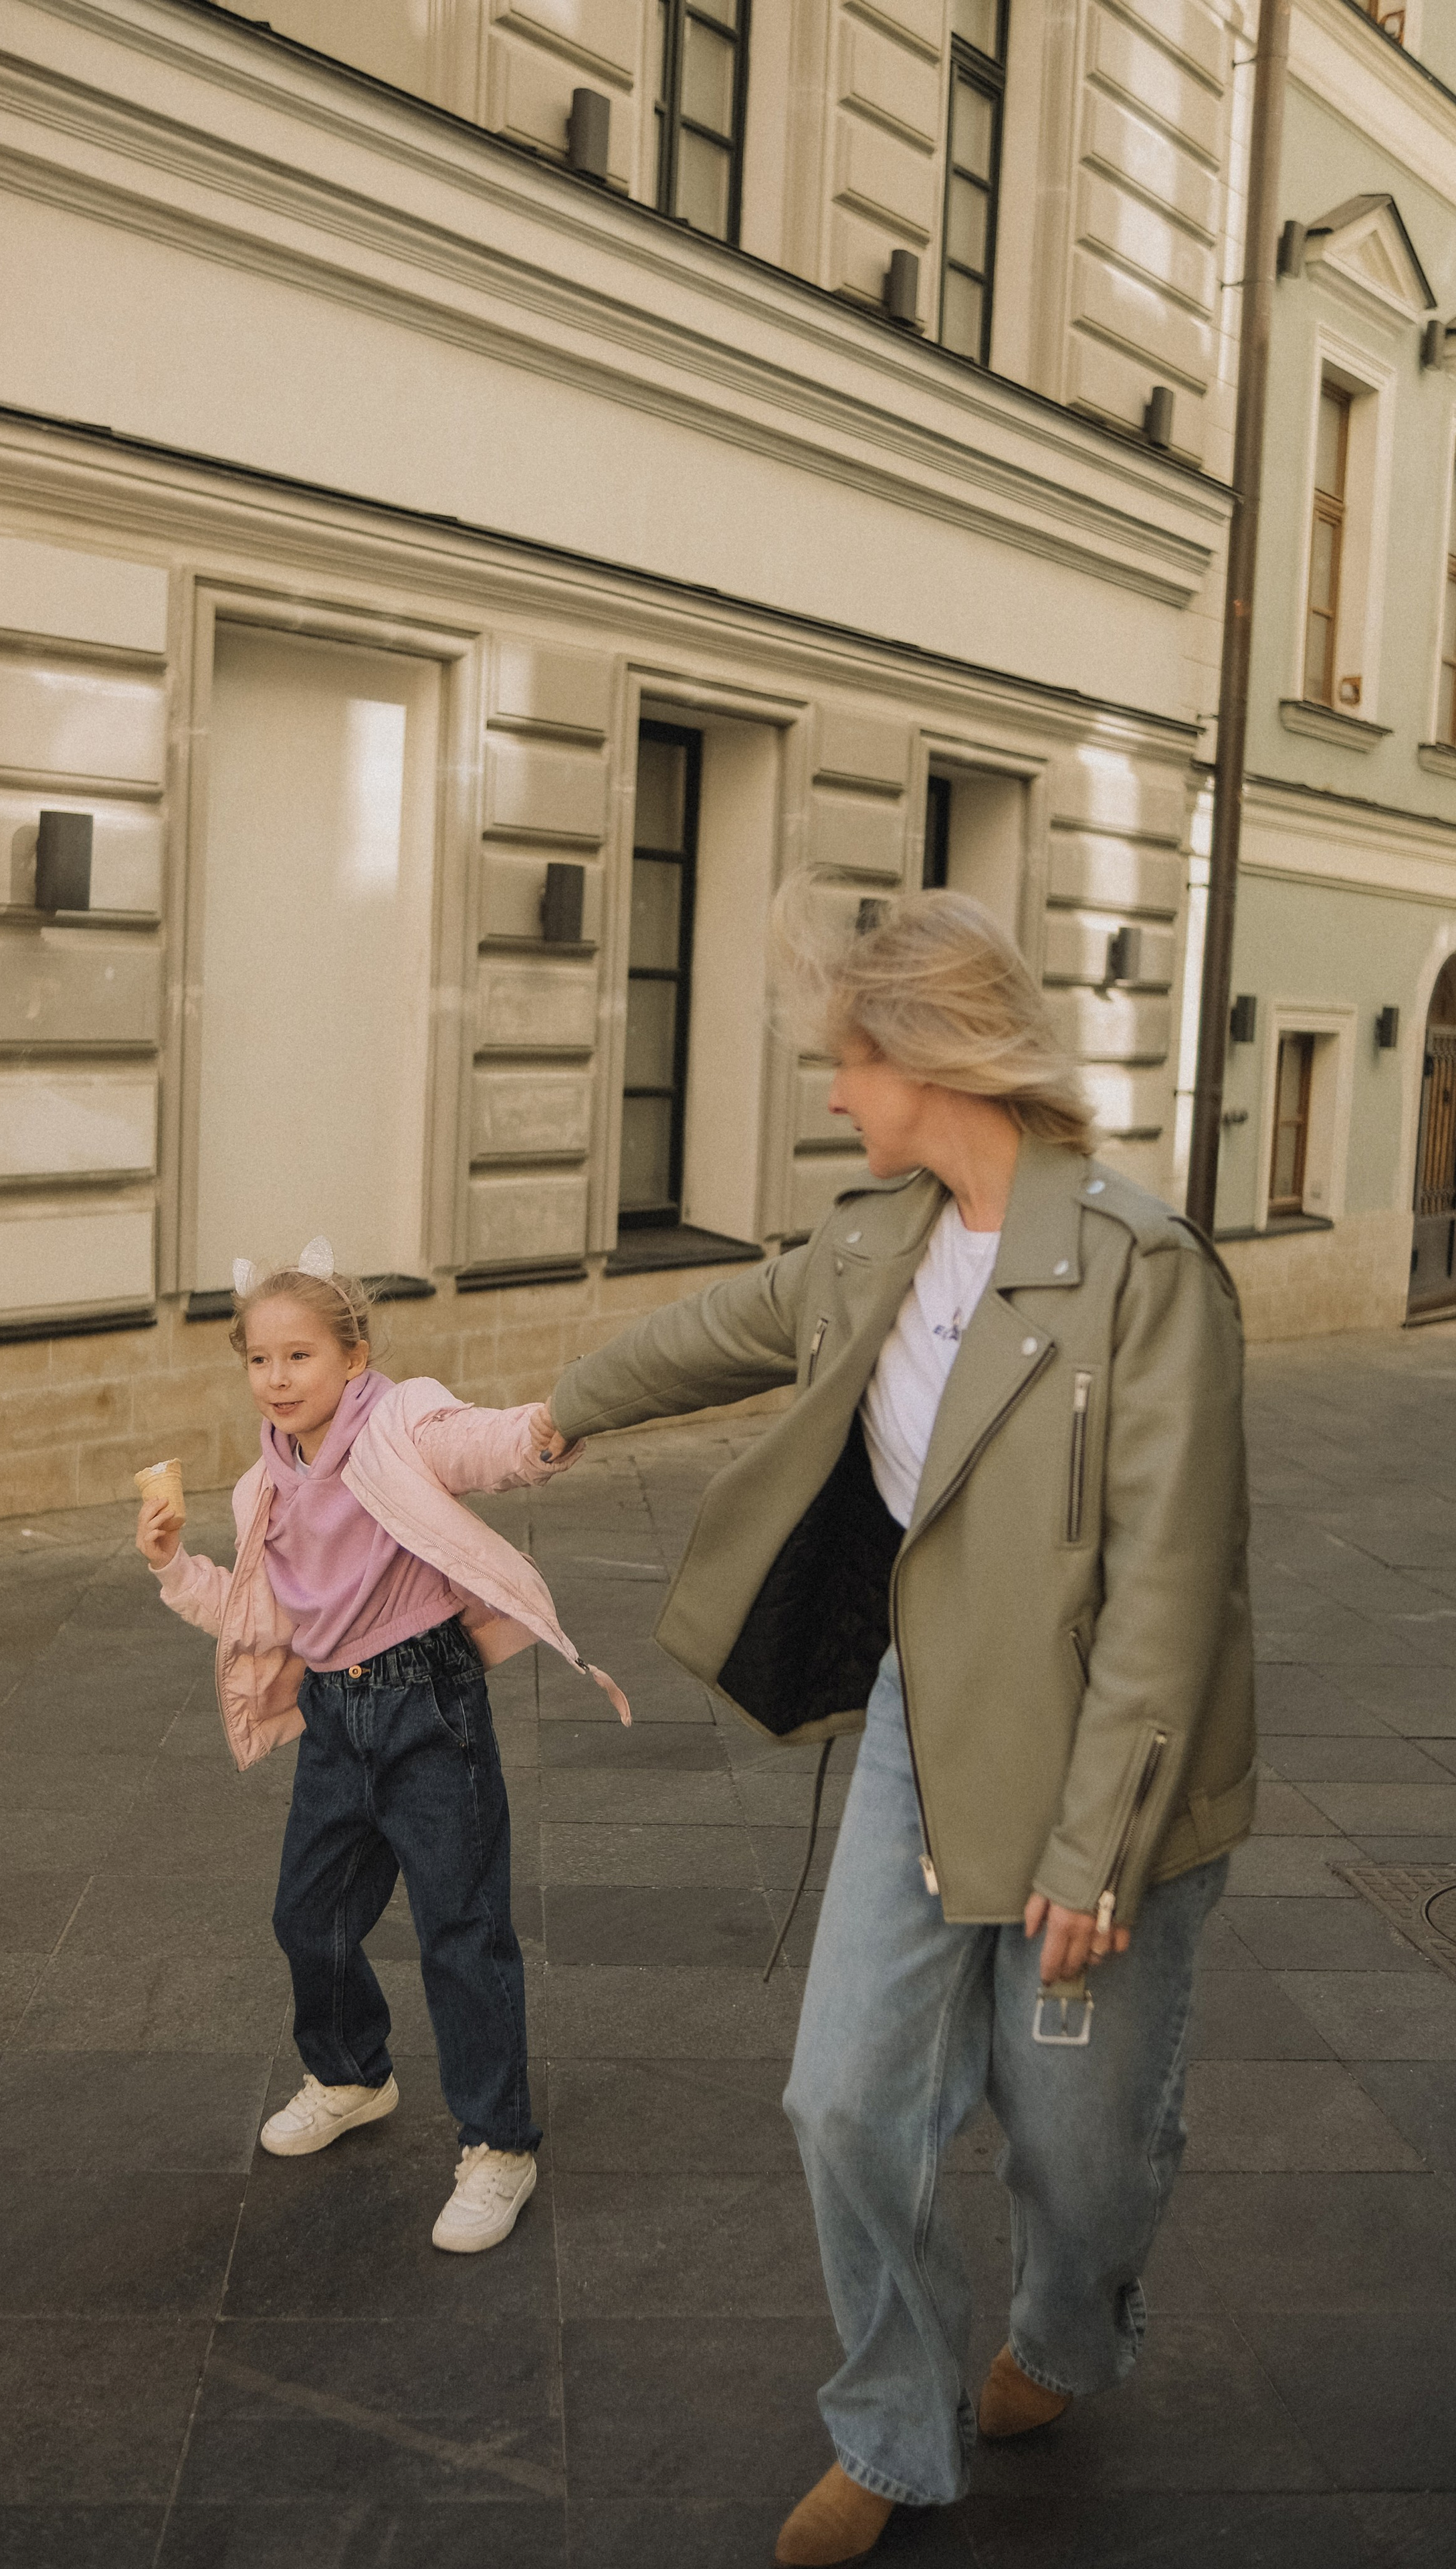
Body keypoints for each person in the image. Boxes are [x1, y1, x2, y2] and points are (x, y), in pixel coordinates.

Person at [539, 885, 1255, 2564]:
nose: (833, 1097)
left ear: (930, 1057)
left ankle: (1063, 2341)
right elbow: (710, 1331)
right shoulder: (874, 1238)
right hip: (925, 1744)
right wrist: (526, 1424)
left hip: (1105, 1790)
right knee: (842, 2101)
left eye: (845, 1064)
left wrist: (1096, 1850)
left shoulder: (1143, 1274)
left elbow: (1172, 1595)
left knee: (1080, 2160)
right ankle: (891, 2420)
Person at [135, 1238, 627, 2255]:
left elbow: (476, 1443)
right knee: (306, 1917)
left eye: (300, 1356)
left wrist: (546, 1428)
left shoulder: (398, 1422)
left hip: (427, 1710)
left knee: (462, 1930)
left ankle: (499, 2148)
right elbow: (252, 1614)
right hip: (333, 1718)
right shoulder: (259, 1490)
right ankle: (352, 2073)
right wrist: (176, 1566)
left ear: (353, 1356)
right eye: (260, 1360)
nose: (277, 1378)